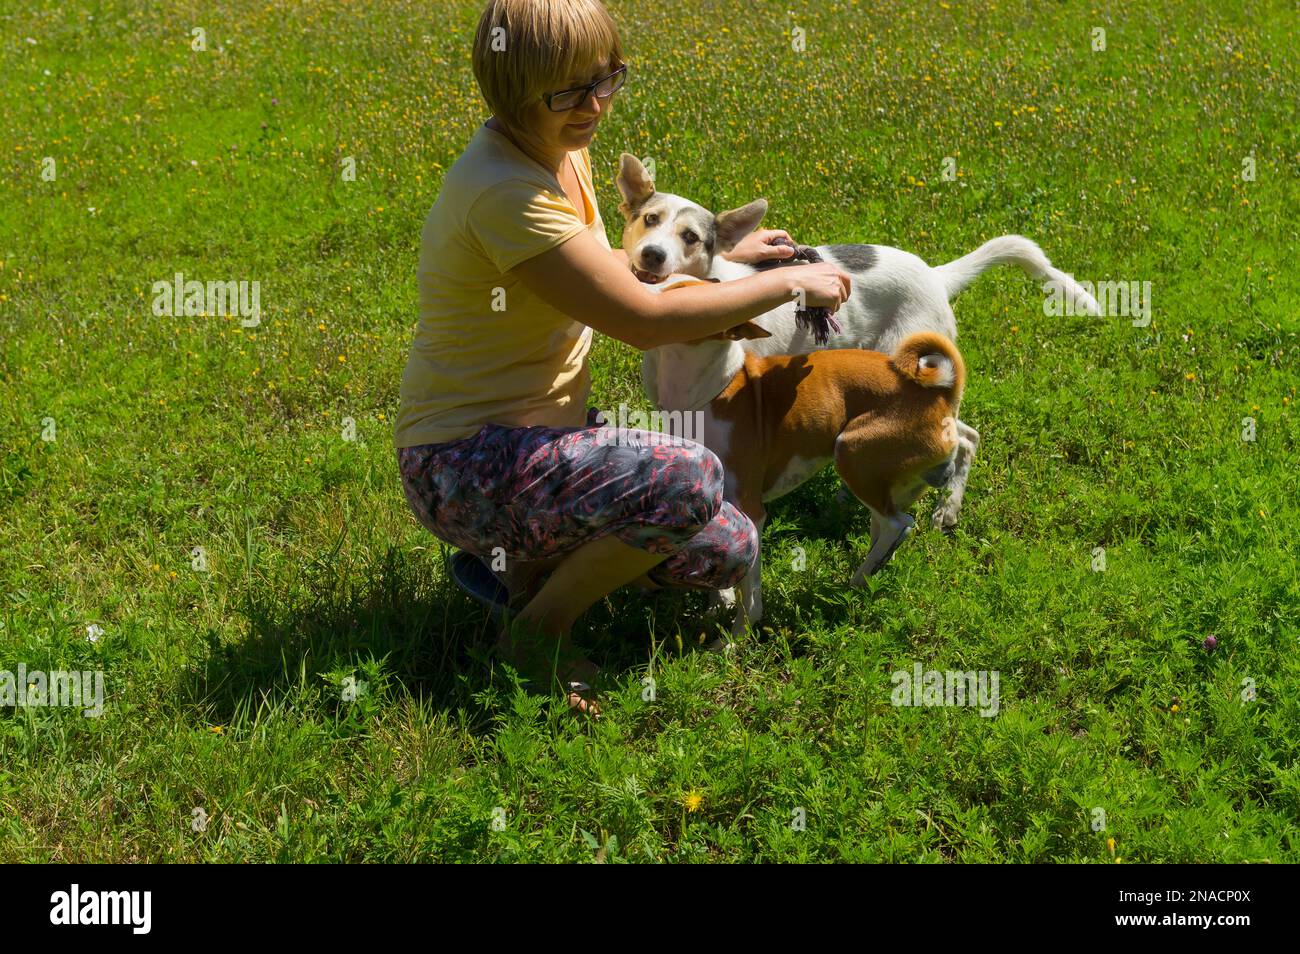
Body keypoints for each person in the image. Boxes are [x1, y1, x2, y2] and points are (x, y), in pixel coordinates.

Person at [394, 0, 851, 714]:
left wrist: (723, 260)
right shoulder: (505, 188)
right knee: (693, 473)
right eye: (569, 91)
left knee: (727, 546)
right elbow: (640, 318)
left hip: (538, 439)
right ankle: (534, 630)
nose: (596, 105)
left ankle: (515, 568)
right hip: (462, 461)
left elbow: (592, 267)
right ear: (510, 87)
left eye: (607, 79)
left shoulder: (557, 149)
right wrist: (786, 282)